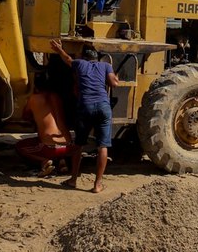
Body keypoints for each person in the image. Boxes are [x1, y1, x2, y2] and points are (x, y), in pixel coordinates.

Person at [50, 39, 120, 193]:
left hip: (85, 107)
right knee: (102, 146)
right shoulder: (105, 65)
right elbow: (114, 83)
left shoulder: (80, 64)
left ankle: (73, 179)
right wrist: (116, 77)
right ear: (97, 57)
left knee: (78, 145)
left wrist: (59, 50)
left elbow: (68, 59)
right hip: (103, 107)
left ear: (83, 56)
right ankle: (97, 185)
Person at [15, 88, 77, 177]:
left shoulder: (34, 98)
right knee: (40, 140)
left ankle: (43, 161)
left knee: (20, 146)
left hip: (49, 148)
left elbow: (26, 116)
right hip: (68, 146)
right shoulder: (57, 97)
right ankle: (62, 159)